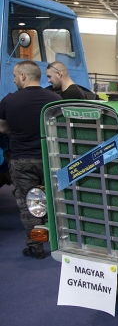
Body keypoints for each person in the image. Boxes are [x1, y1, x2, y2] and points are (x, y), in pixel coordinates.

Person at [0, 61, 61, 259]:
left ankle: (35, 246)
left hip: (22, 160)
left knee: (29, 204)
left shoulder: (9, 101)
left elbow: (2, 128)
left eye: (15, 76)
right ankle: (62, 244)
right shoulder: (55, 99)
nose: (14, 80)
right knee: (55, 201)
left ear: (23, 76)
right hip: (50, 160)